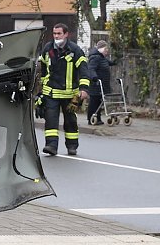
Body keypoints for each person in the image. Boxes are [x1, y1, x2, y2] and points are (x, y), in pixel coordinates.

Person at [38, 23, 89, 156]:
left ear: (66, 34)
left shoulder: (75, 50)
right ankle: (51, 146)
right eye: (54, 34)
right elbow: (43, 71)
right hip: (51, 93)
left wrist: (83, 89)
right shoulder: (47, 49)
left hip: (69, 94)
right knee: (50, 120)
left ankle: (72, 146)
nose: (56, 36)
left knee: (71, 122)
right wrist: (41, 92)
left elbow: (84, 70)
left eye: (59, 33)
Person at [86, 40, 113, 125]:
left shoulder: (102, 57)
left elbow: (109, 63)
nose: (107, 51)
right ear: (101, 49)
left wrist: (117, 60)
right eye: (105, 50)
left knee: (99, 101)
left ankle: (98, 118)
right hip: (96, 84)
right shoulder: (95, 58)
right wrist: (94, 77)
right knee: (94, 101)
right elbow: (91, 68)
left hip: (102, 84)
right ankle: (91, 118)